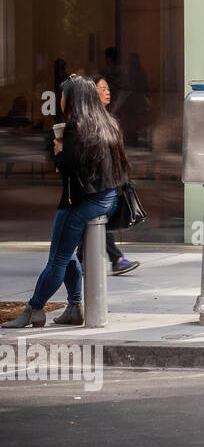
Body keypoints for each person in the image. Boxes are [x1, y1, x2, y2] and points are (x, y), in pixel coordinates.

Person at [4, 76, 129, 329]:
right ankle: (74, 307)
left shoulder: (77, 127)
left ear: (73, 99)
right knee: (67, 252)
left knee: (57, 259)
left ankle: (33, 309)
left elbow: (70, 169)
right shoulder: (108, 123)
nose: (60, 100)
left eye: (62, 96)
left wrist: (60, 150)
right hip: (107, 199)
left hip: (83, 203)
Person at [73, 74, 139, 276]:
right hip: (93, 185)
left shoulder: (109, 120)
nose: (107, 92)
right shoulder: (83, 121)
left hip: (109, 183)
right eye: (102, 89)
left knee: (95, 222)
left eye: (108, 88)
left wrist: (123, 179)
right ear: (91, 93)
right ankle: (115, 258)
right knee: (96, 219)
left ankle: (81, 259)